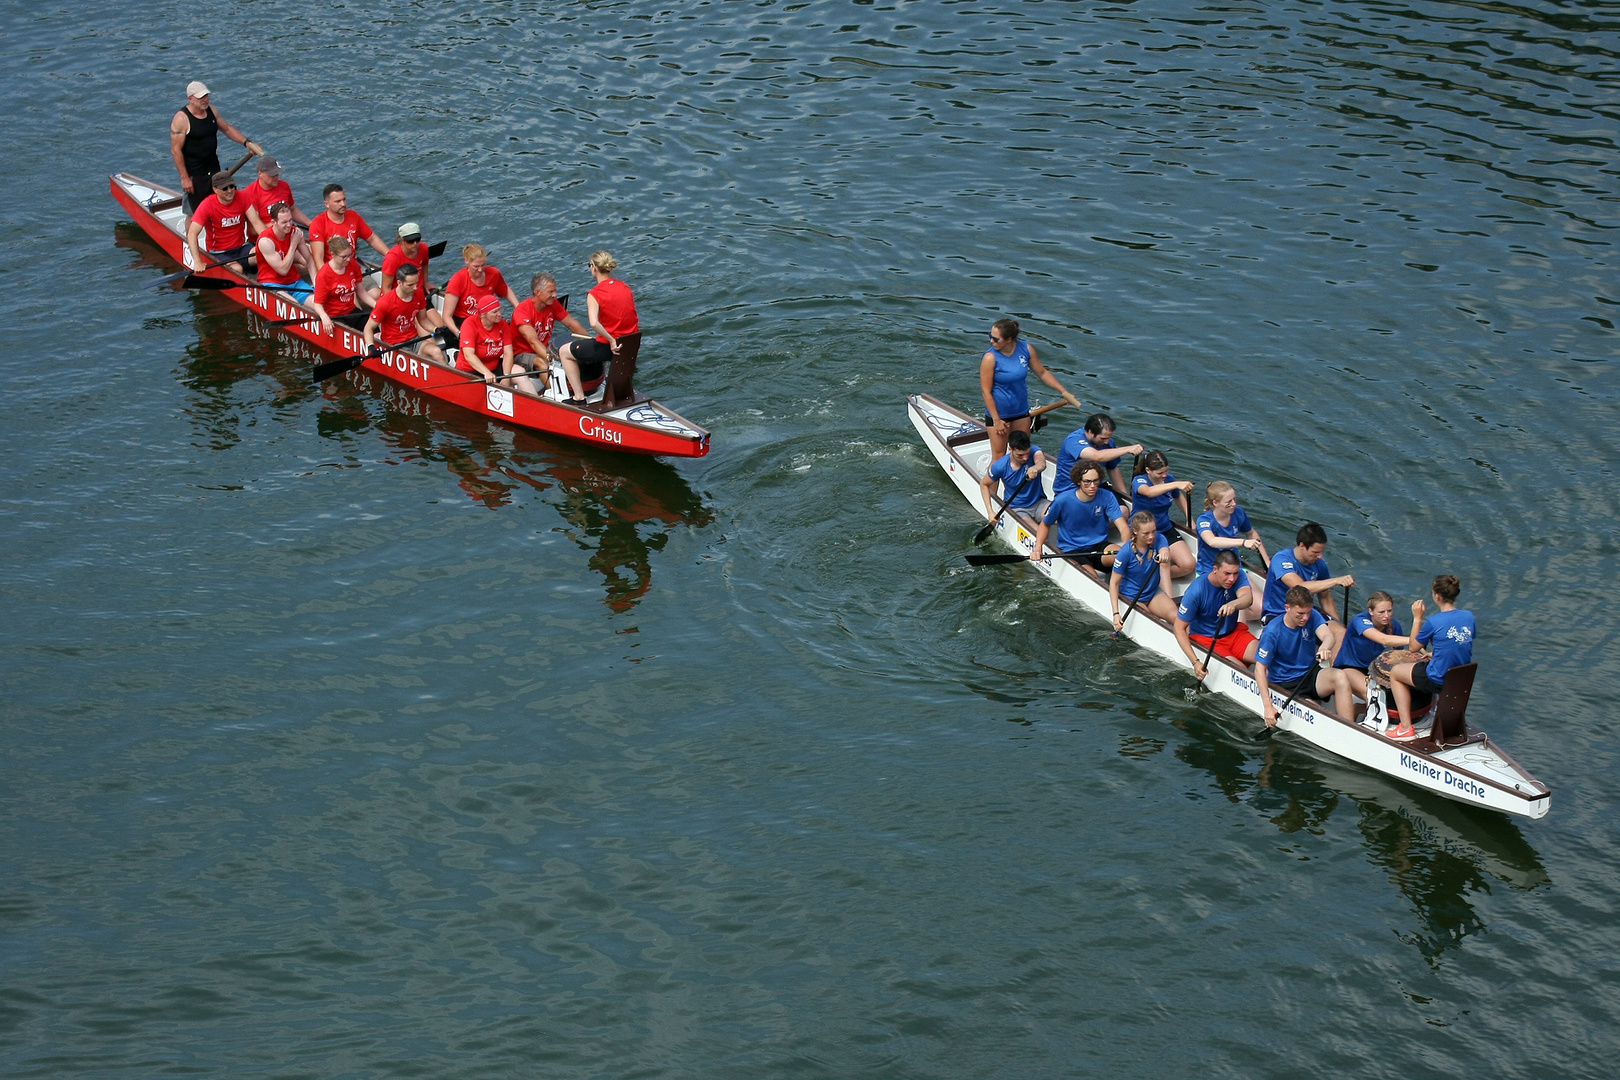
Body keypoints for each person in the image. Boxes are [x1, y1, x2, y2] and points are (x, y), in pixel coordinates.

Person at [1384, 575, 1475, 741]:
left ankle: (1405, 727)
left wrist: (1417, 618)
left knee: (1396, 673)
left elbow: (1413, 647)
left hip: (1438, 678)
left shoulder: (1434, 621)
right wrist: (1436, 653)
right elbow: (1458, 644)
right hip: (1460, 678)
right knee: (1427, 660)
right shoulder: (1469, 616)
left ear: (1437, 596)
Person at [978, 318, 1081, 462]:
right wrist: (996, 420)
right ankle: (987, 485)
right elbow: (986, 391)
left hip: (1021, 412)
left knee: (1022, 453)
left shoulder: (1026, 349)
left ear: (1009, 339)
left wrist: (1064, 392)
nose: (991, 342)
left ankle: (1017, 483)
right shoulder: (990, 358)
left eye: (995, 339)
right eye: (990, 337)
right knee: (999, 457)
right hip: (999, 415)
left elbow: (1042, 373)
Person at [1254, 586, 1354, 725]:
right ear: (1287, 608)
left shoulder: (1312, 615)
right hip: (1286, 683)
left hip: (1310, 674)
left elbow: (1328, 636)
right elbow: (1260, 669)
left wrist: (1324, 648)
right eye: (1300, 613)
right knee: (1318, 713)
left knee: (1340, 676)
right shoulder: (1272, 632)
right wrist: (1268, 707)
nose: (1305, 618)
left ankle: (1349, 726)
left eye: (1308, 612)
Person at [557, 251, 641, 408]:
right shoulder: (624, 287)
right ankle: (622, 391)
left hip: (610, 347)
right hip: (630, 345)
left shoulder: (594, 294)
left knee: (564, 352)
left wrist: (610, 340)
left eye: (590, 265)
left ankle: (579, 396)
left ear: (594, 268)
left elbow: (594, 323)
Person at [170, 81, 262, 216]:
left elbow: (227, 129)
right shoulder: (181, 119)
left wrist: (247, 143)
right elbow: (175, 150)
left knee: (221, 203)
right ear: (190, 99)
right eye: (201, 97)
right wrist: (185, 178)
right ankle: (191, 236)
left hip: (214, 169)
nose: (205, 100)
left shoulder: (211, 110)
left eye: (206, 96)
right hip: (195, 174)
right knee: (196, 213)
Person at [1261, 523, 1354, 653]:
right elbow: (1299, 586)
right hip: (1278, 614)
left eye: (1321, 552)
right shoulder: (1281, 559)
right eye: (1315, 552)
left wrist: (1337, 623)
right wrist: (1336, 581)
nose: (1320, 556)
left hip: (1307, 613)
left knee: (1341, 634)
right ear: (1302, 546)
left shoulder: (1319, 564)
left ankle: (1336, 670)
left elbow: (1325, 596)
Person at [1174, 550, 1260, 678]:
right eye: (1227, 574)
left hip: (1234, 633)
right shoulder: (1196, 591)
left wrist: (1233, 604)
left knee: (1268, 658)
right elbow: (1178, 628)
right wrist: (1196, 662)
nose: (1232, 579)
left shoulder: (1239, 575)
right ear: (1215, 569)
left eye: (1235, 573)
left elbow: (1247, 598)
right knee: (1244, 673)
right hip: (1207, 639)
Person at [1031, 460, 1127, 572]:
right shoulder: (1062, 500)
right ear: (1078, 482)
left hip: (1099, 546)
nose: (1092, 486)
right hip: (1072, 550)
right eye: (1087, 482)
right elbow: (1045, 524)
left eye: (1096, 481)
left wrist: (1126, 545)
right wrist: (1038, 549)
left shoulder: (1107, 496)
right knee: (1092, 576)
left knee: (1124, 558)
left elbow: (1123, 526)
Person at [1195, 481, 1269, 619]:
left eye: (1234, 499)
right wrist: (1243, 542)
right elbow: (1212, 541)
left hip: (1235, 569)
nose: (1233, 504)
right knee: (1212, 613)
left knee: (1261, 609)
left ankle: (1233, 614)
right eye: (1228, 502)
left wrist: (1268, 563)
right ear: (1216, 503)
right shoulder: (1204, 520)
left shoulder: (1238, 514)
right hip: (1210, 570)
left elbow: (1252, 534)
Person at [512, 272, 590, 395]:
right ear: (538, 292)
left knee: (570, 352)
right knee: (541, 362)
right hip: (522, 354)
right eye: (551, 292)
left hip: (543, 348)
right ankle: (555, 395)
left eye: (555, 291)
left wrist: (590, 342)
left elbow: (572, 324)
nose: (555, 295)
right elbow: (533, 341)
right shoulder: (522, 311)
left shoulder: (553, 305)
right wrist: (551, 358)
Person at [1333, 590, 1409, 708]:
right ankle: (1358, 710)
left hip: (1371, 670)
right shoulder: (1360, 621)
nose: (1386, 616)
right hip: (1348, 667)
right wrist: (1413, 640)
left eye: (1389, 611)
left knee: (1395, 697)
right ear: (1371, 611)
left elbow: (1399, 654)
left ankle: (1360, 708)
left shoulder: (1394, 625)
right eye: (1381, 612)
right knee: (1376, 696)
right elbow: (1384, 639)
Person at [1129, 450, 1196, 577]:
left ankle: (1152, 576)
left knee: (1188, 565)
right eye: (1160, 473)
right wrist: (1176, 484)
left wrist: (1190, 520)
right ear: (1148, 470)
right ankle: (1142, 573)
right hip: (1142, 530)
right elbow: (1148, 492)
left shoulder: (1169, 480)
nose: (1164, 475)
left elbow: (1179, 498)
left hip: (1164, 528)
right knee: (1139, 564)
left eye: (1166, 471)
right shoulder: (1139, 481)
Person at [1110, 512, 1177, 632]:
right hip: (1132, 597)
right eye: (1146, 533)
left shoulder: (1159, 538)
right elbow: (1114, 584)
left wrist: (1165, 553)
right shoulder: (1125, 553)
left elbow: (1164, 549)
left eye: (1153, 531)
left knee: (1178, 618)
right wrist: (1116, 614)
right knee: (1153, 625)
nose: (1151, 536)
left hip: (1152, 593)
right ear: (1135, 531)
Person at [364, 264, 445, 362]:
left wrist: (436, 329)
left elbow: (423, 320)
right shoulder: (385, 302)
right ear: (399, 283)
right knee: (419, 360)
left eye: (416, 283)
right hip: (394, 344)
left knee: (437, 351)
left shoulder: (418, 294)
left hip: (414, 339)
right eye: (410, 285)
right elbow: (369, 328)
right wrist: (371, 347)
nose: (415, 288)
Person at [441, 243, 521, 339]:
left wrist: (518, 308)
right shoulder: (457, 280)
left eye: (483, 265)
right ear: (466, 261)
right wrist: (458, 333)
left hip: (489, 317)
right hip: (466, 322)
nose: (480, 270)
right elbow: (447, 316)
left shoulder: (494, 273)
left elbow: (506, 291)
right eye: (476, 266)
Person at [1054, 413, 1140, 500]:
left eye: (1109, 438)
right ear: (1091, 432)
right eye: (1103, 438)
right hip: (1070, 490)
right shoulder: (1073, 440)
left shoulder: (1109, 442)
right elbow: (1096, 456)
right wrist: (1128, 449)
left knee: (1123, 510)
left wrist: (1125, 496)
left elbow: (1113, 468)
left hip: (1095, 488)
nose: (1107, 442)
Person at [185, 171, 256, 274]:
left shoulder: (242, 197)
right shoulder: (207, 205)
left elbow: (257, 224)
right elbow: (192, 234)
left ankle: (267, 283)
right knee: (237, 269)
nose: (230, 191)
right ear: (215, 189)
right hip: (219, 253)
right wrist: (198, 262)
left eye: (232, 187)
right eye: (225, 188)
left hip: (241, 248)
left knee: (263, 255)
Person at [308, 184, 388, 269]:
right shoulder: (318, 224)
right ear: (327, 204)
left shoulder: (353, 216)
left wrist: (390, 255)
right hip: (333, 271)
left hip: (354, 268)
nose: (343, 204)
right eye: (338, 201)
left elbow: (372, 239)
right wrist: (327, 279)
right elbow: (318, 259)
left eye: (344, 199)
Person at [457, 295, 525, 389]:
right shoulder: (469, 324)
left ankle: (534, 400)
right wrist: (486, 372)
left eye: (500, 310)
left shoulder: (503, 324)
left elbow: (508, 353)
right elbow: (469, 355)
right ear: (483, 314)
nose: (499, 314)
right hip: (470, 370)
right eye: (495, 312)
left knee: (520, 371)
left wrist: (506, 376)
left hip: (494, 368)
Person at [311, 237, 377, 333]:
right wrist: (324, 317)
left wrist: (377, 306)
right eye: (344, 257)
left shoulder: (353, 265)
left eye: (350, 255)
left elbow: (362, 292)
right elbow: (318, 304)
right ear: (333, 255)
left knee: (373, 327)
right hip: (335, 315)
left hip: (351, 311)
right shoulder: (324, 275)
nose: (348, 259)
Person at [980, 429, 1047, 520]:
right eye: (1020, 455)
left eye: (1027, 453)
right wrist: (990, 512)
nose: (1025, 458)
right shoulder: (1000, 466)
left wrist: (1035, 468)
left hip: (1040, 503)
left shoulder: (1035, 451)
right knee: (1035, 532)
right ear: (1010, 449)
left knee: (1064, 515)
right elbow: (984, 484)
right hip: (1017, 509)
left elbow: (1041, 463)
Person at [254, 202, 314, 299]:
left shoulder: (295, 233)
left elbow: (309, 260)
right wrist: (293, 244)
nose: (289, 225)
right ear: (274, 223)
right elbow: (283, 270)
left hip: (295, 282)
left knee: (319, 304)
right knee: (295, 306)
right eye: (284, 222)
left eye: (290, 220)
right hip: (272, 284)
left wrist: (317, 285)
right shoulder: (265, 241)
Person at [242, 156, 310, 235]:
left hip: (286, 230)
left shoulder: (284, 185)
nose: (276, 177)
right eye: (272, 174)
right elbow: (253, 230)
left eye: (277, 173)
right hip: (264, 237)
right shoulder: (249, 193)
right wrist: (279, 226)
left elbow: (292, 209)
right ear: (260, 173)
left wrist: (310, 224)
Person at [380, 223, 433, 295]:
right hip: (399, 295)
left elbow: (424, 265)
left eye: (417, 240)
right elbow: (386, 287)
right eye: (410, 241)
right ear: (402, 241)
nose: (415, 244)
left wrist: (426, 283)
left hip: (418, 292)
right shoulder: (391, 258)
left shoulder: (424, 248)